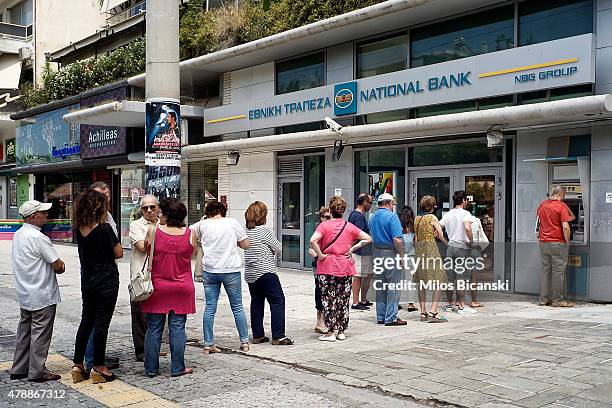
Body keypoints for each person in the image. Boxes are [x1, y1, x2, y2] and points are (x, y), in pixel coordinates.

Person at [10, 200, 65, 382]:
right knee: (40, 334)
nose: (46, 215)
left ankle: (19, 368)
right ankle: (36, 371)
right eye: (43, 212)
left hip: (25, 293)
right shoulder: (39, 237)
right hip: (42, 293)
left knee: (25, 332)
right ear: (34, 216)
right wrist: (62, 265)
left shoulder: (18, 235)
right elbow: (57, 265)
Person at [71, 190, 123, 384]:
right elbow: (118, 253)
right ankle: (99, 367)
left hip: (88, 281)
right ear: (99, 207)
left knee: (86, 321)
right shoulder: (104, 228)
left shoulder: (80, 228)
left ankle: (78, 365)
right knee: (101, 323)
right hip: (107, 281)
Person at [142, 199, 196, 377]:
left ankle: (150, 369)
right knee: (178, 327)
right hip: (182, 286)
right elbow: (192, 253)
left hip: (158, 286)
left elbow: (146, 249)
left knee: (154, 328)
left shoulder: (153, 231)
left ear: (165, 214)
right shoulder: (190, 233)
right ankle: (177, 367)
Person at [310, 197, 372, 341]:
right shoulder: (349, 226)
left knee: (328, 298)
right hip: (345, 265)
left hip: (327, 266)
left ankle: (330, 332)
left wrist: (320, 255)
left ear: (330, 210)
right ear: (343, 211)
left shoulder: (324, 226)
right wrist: (352, 248)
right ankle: (341, 331)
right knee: (343, 299)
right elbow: (368, 238)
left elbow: (313, 240)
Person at [197, 201, 250, 353]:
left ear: (208, 212)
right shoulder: (232, 223)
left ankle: (208, 343)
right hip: (230, 270)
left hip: (210, 271)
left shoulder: (203, 225)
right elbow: (246, 244)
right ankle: (244, 342)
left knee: (209, 308)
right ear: (223, 211)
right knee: (237, 307)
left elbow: (191, 236)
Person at [244, 201, 293, 346]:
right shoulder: (264, 231)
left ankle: (258, 335)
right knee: (278, 301)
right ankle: (278, 336)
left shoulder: (245, 231)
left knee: (257, 302)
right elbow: (278, 247)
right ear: (262, 215)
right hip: (266, 271)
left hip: (251, 273)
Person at [84, 181, 119, 371]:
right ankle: (94, 362)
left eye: (107, 196)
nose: (105, 200)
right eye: (100, 196)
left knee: (91, 319)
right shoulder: (97, 221)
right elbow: (117, 251)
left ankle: (89, 360)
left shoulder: (105, 217)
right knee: (98, 321)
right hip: (102, 274)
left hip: (95, 273)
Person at [128, 194, 160, 362]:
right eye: (145, 208)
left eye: (152, 207)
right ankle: (141, 351)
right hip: (141, 276)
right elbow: (142, 246)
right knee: (140, 315)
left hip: (160, 275)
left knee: (157, 314)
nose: (149, 210)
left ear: (158, 207)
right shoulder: (136, 225)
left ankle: (154, 346)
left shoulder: (163, 224)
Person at [369, 193, 406, 326]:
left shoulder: (372, 217)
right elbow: (397, 239)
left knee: (381, 286)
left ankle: (381, 315)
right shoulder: (392, 216)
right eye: (392, 204)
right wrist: (402, 256)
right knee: (393, 286)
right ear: (389, 203)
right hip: (390, 253)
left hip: (377, 253)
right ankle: (391, 317)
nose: (393, 206)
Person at [536, 186, 575, 307]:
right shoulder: (561, 207)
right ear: (562, 194)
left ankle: (543, 299)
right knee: (558, 272)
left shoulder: (542, 205)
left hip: (543, 243)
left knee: (545, 271)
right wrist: (567, 242)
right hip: (558, 243)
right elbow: (566, 226)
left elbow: (538, 223)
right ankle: (558, 300)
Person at [413, 196, 448, 323]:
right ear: (432, 206)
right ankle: (433, 311)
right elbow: (441, 234)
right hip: (431, 251)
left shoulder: (417, 219)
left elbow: (416, 238)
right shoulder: (432, 218)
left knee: (421, 282)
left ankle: (423, 311)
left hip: (419, 252)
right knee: (439, 280)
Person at [440, 190, 475, 315]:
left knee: (449, 278)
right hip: (461, 247)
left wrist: (446, 241)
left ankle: (450, 304)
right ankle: (461, 305)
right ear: (464, 200)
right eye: (466, 200)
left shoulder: (448, 214)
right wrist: (471, 241)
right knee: (461, 278)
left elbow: (437, 230)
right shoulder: (466, 214)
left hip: (451, 247)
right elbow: (467, 227)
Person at [348, 193, 374, 310]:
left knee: (366, 275)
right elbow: (357, 235)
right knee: (358, 276)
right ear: (364, 203)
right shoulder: (359, 217)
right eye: (370, 203)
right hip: (359, 251)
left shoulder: (354, 214)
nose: (371, 205)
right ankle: (356, 302)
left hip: (362, 251)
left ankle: (362, 300)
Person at [308, 206, 330, 334]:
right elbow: (311, 247)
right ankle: (319, 321)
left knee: (325, 290)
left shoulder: (328, 229)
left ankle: (324, 319)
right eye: (325, 217)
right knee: (319, 289)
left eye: (329, 217)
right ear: (321, 218)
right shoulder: (319, 229)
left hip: (326, 262)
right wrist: (319, 255)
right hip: (319, 263)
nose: (327, 219)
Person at [399, 206, 418, 312]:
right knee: (410, 281)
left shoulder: (398, 227)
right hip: (410, 257)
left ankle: (398, 302)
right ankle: (411, 304)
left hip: (399, 257)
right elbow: (416, 244)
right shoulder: (413, 229)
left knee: (399, 280)